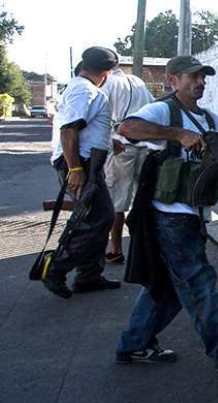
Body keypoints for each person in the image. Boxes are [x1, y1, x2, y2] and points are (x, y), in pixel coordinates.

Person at [114, 56, 218, 371]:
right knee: (198, 281)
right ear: (172, 80)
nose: (199, 82)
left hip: (194, 215)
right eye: (192, 77)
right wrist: (176, 134)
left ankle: (134, 345)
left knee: (168, 286)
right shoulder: (163, 110)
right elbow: (127, 128)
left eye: (202, 77)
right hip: (169, 216)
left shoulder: (210, 119)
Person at [43, 46, 122, 299]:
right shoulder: (84, 89)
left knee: (95, 217)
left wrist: (110, 141)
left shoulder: (81, 87)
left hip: (88, 162)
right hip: (82, 164)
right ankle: (55, 268)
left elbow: (85, 128)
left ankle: (89, 276)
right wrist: (75, 168)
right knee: (99, 217)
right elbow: (69, 130)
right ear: (107, 72)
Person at [101, 68, 156, 265]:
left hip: (121, 146)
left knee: (118, 200)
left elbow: (101, 115)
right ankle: (147, 246)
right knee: (146, 197)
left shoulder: (108, 84)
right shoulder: (138, 82)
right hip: (146, 145)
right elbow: (154, 107)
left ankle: (115, 249)